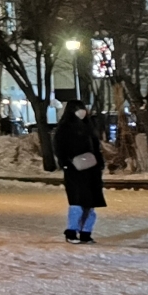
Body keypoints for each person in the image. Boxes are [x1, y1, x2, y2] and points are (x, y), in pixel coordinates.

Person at [54, 100, 106, 243]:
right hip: (74, 170)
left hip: (92, 170)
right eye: (78, 109)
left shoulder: (89, 127)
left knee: (90, 203)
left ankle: (86, 233)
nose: (82, 112)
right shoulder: (64, 128)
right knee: (77, 202)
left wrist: (99, 163)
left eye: (83, 108)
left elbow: (96, 147)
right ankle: (71, 232)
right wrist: (65, 163)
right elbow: (59, 148)